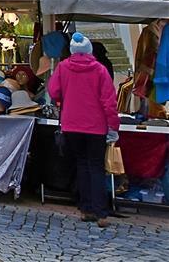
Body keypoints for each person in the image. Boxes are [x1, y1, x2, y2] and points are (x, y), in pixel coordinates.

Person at [48, 32, 119, 228]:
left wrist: (65, 97)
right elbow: (109, 101)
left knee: (81, 164)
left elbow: (53, 91)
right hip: (96, 126)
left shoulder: (63, 68)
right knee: (96, 166)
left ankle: (86, 208)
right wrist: (114, 124)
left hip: (72, 124)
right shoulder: (100, 70)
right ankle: (101, 212)